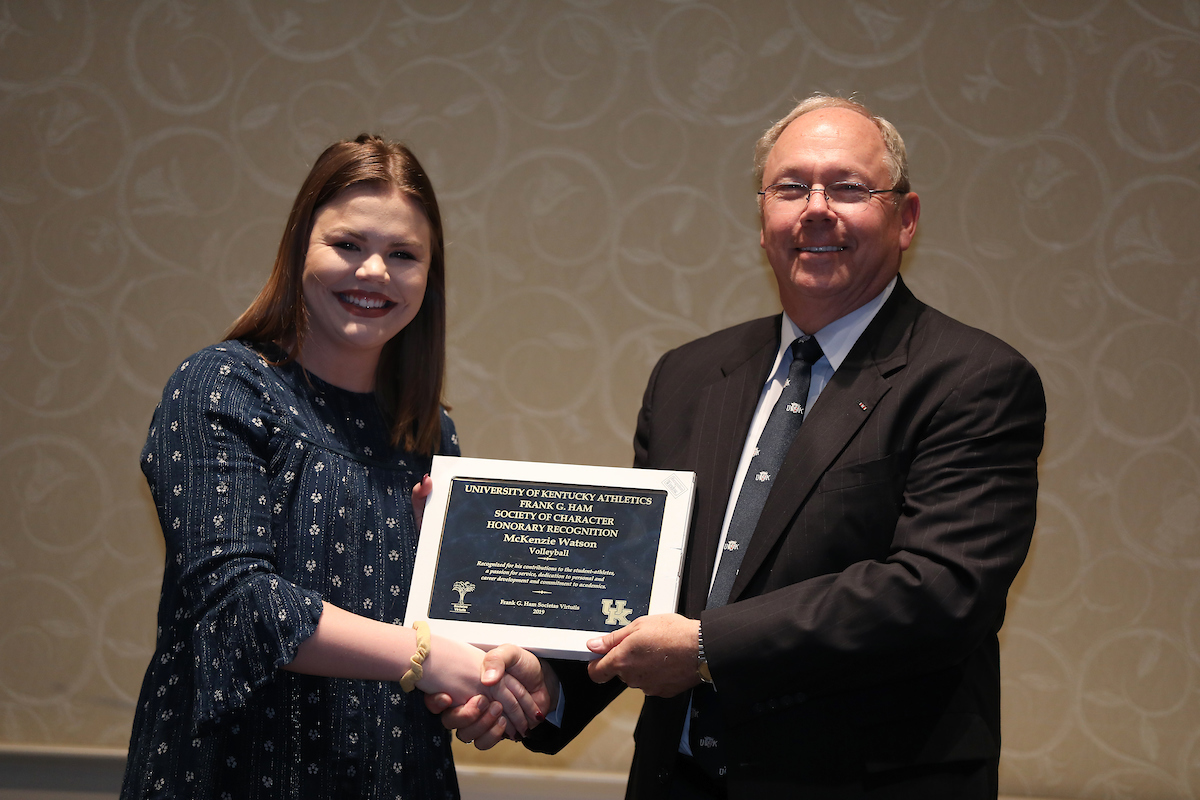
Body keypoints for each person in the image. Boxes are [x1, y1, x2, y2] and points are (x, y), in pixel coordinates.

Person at [430, 94, 1046, 799]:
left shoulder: (975, 380)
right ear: (763, 221)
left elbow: (941, 591)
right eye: (790, 188)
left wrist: (704, 650)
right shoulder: (689, 376)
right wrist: (554, 677)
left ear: (905, 219)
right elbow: (644, 584)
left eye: (847, 187)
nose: (816, 208)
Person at [121, 134, 539, 799]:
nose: (374, 273)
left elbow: (445, 640)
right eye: (348, 244)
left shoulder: (431, 436)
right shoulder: (220, 386)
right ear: (298, 247)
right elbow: (241, 605)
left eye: (403, 255)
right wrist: (430, 660)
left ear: (430, 278)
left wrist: (491, 674)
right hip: (235, 774)